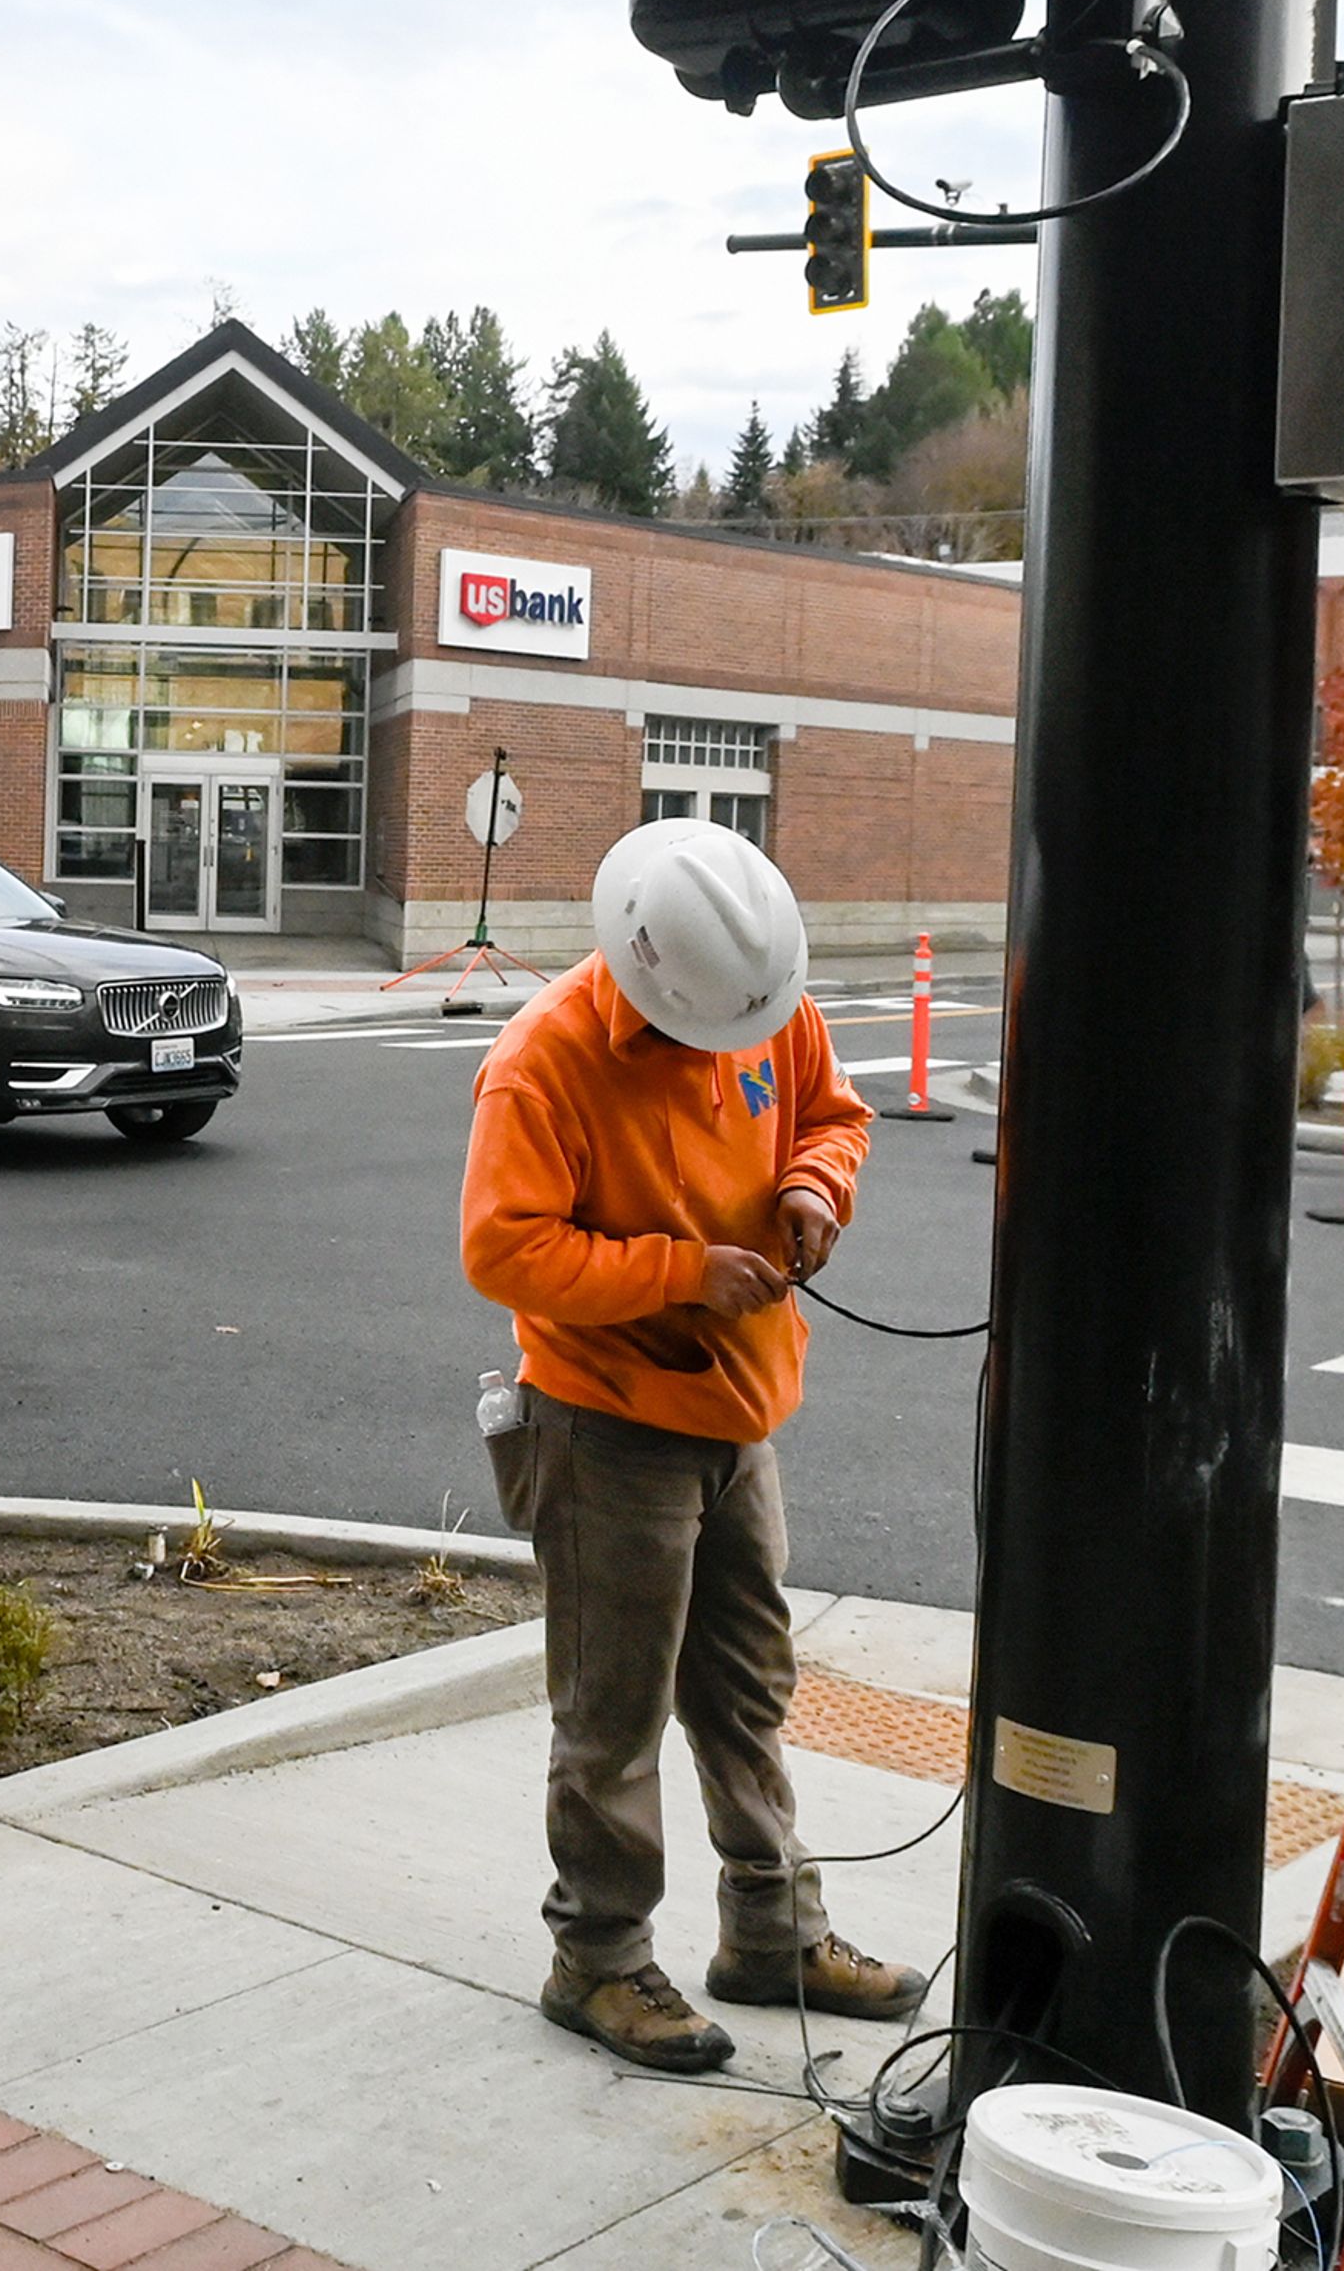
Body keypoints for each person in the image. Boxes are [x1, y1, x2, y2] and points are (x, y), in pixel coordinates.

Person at [460, 817, 925, 2073]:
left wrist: (812, 1191)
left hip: (739, 1413)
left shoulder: (767, 998)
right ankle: (597, 1960)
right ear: (644, 968)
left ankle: (771, 1932)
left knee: (745, 1693)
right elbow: (502, 1248)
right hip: (606, 1422)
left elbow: (833, 1114)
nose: (729, 1049)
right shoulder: (544, 1058)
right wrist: (680, 1274)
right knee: (612, 1712)